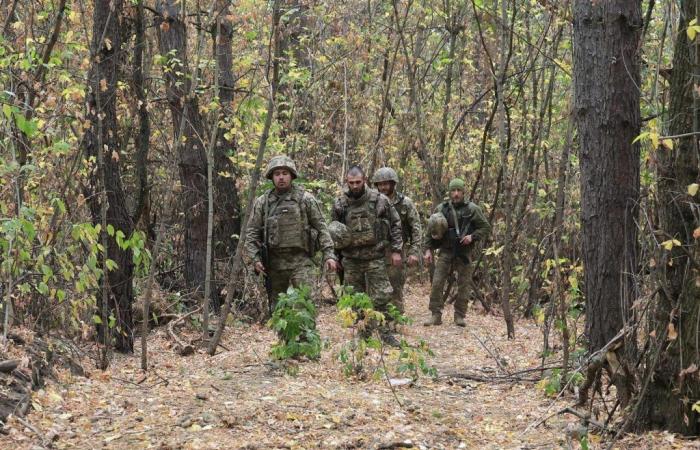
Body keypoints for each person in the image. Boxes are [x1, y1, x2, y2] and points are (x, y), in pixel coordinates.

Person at [244, 155, 337, 310]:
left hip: (300, 261)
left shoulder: (305, 199)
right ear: (272, 177)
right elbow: (252, 233)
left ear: (292, 175)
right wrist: (255, 259)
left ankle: (305, 335)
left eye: (285, 173)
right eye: (277, 174)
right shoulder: (263, 202)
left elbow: (321, 228)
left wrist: (329, 254)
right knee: (278, 310)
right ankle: (285, 336)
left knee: (305, 306)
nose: (281, 177)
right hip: (274, 264)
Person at [331, 165, 403, 345]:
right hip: (351, 258)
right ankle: (364, 333)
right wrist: (334, 257)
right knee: (356, 298)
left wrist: (396, 250)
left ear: (365, 180)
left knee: (382, 296)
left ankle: (385, 332)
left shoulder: (379, 200)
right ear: (347, 182)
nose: (354, 186)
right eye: (351, 182)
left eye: (358, 182)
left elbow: (395, 224)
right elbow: (333, 232)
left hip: (375, 256)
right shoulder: (340, 203)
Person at [423, 178, 491, 327]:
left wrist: (472, 237)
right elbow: (430, 230)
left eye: (458, 190)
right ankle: (435, 314)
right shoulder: (442, 208)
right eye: (453, 190)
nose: (456, 194)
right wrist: (428, 250)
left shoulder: (472, 209)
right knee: (437, 283)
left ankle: (459, 315)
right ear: (449, 192)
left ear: (463, 192)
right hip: (446, 251)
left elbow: (485, 227)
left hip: (464, 253)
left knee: (464, 285)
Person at [371, 167, 423, 313]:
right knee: (375, 286)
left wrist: (414, 252)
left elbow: (416, 228)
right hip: (376, 250)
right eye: (380, 184)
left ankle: (395, 319)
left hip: (398, 250)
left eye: (386, 184)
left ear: (393, 184)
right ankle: (376, 317)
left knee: (395, 285)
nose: (383, 187)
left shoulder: (405, 203)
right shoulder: (372, 201)